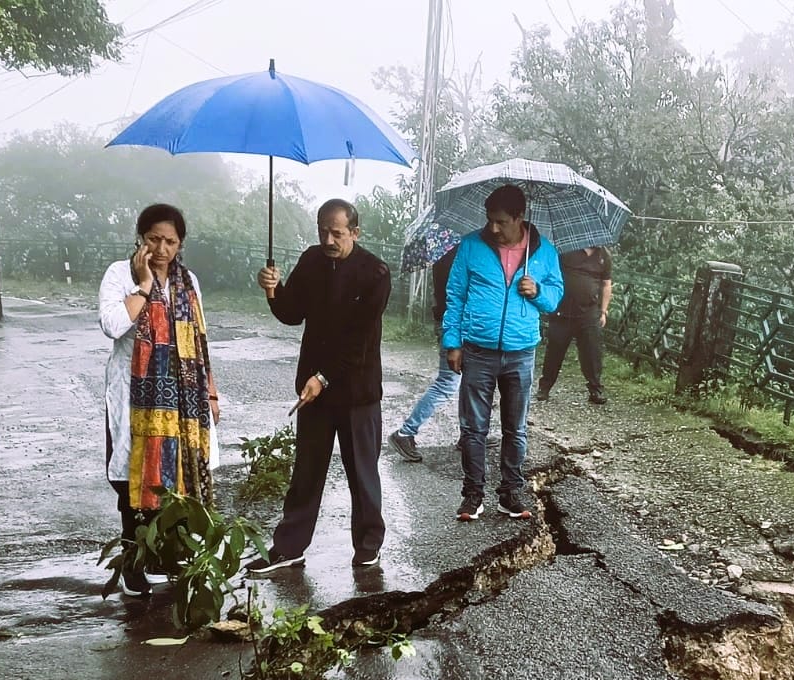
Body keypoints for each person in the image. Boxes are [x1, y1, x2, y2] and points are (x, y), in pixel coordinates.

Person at [245, 198, 391, 575]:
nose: (328, 238)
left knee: (362, 473)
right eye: (323, 230)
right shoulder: (311, 261)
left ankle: (368, 546)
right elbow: (292, 314)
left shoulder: (375, 273)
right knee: (306, 472)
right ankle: (289, 547)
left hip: (357, 391)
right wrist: (273, 290)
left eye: (337, 233)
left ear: (355, 233)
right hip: (314, 391)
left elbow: (357, 343)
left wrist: (323, 378)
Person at [98, 202, 219, 597]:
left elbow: (200, 342)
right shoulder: (119, 275)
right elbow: (114, 325)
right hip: (135, 398)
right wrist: (144, 285)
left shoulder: (189, 283)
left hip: (184, 399)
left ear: (180, 244)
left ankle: (171, 556)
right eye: (154, 240)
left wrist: (212, 392)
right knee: (133, 478)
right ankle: (134, 562)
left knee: (179, 476)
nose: (162, 249)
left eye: (170, 241)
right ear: (141, 239)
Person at [442, 184, 563, 521]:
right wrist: (452, 342)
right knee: (473, 428)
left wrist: (537, 290)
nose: (493, 229)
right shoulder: (470, 246)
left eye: (501, 222)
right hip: (478, 349)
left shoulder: (544, 253)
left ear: (519, 218)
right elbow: (455, 297)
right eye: (489, 221)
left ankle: (510, 493)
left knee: (516, 428)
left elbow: (555, 299)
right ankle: (472, 494)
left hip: (521, 351)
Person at [387, 246, 501, 463]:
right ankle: (405, 433)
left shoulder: (447, 252)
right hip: (456, 325)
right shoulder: (460, 254)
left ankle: (468, 435)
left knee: (469, 381)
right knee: (448, 382)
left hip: (453, 323)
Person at [536, 246, 613, 404]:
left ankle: (595, 390)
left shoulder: (604, 255)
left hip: (589, 312)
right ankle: (544, 388)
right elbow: (550, 276)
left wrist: (604, 311)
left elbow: (606, 284)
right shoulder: (566, 250)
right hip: (562, 311)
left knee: (592, 352)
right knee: (555, 351)